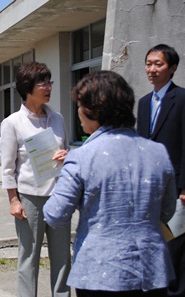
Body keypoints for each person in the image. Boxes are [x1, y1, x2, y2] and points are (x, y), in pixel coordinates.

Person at [44, 70, 177, 297]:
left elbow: (55, 214)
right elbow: (167, 210)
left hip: (99, 271)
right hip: (151, 271)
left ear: (92, 111)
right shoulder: (158, 152)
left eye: (79, 106)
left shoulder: (81, 157)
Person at [0, 61, 71, 297]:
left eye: (49, 81)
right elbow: (8, 168)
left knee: (62, 256)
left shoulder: (58, 118)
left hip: (59, 196)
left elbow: (66, 151)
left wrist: (66, 156)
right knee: (28, 256)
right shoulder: (12, 123)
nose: (49, 87)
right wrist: (14, 200)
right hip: (30, 198)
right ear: (27, 87)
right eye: (43, 82)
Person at [136, 44, 185, 219]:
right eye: (148, 64)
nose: (152, 69)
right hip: (149, 180)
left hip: (175, 182)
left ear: (172, 68)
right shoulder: (144, 102)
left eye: (158, 64)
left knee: (175, 239)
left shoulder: (181, 98)